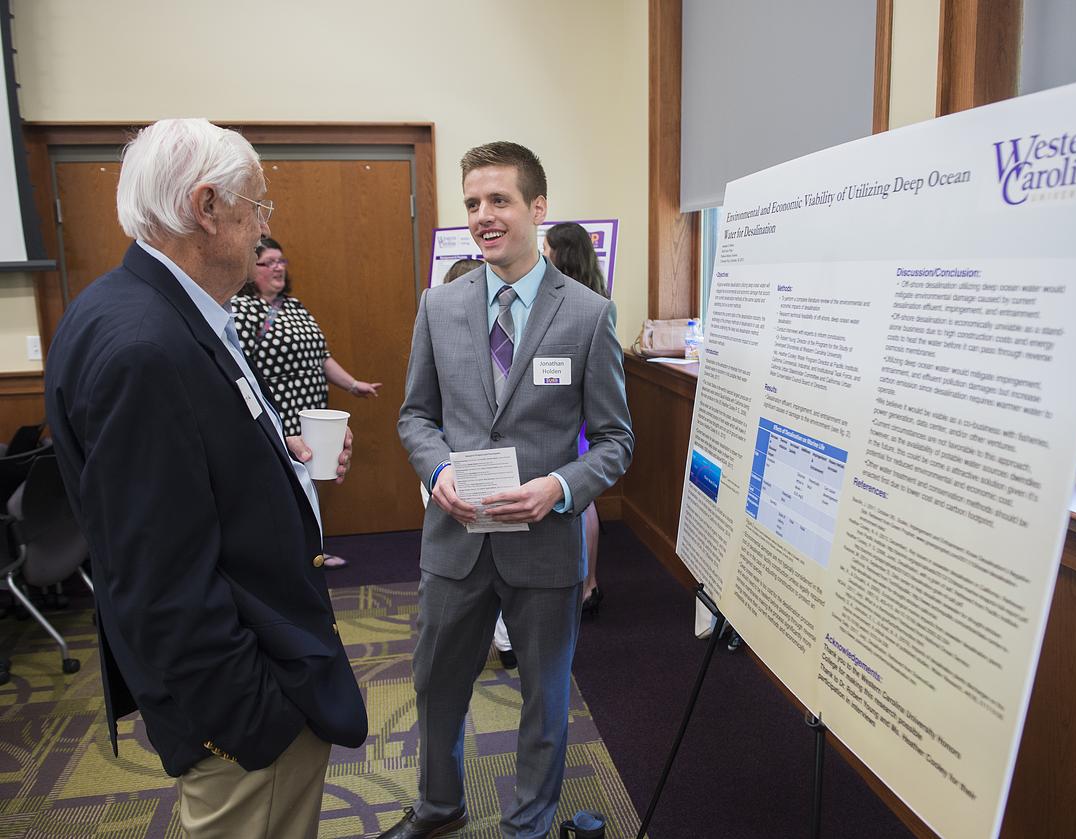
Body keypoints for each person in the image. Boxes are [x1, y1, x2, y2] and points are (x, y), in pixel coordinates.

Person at [43, 118, 367, 839]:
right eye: (257, 206)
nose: (262, 228)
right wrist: (253, 719)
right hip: (245, 715)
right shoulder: (143, 347)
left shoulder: (149, 310)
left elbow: (186, 476)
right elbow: (156, 577)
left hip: (256, 667)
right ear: (207, 206)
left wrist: (277, 454)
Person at [393, 141, 633, 839]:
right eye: (472, 203)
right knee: (436, 688)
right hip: (456, 540)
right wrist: (437, 471)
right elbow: (415, 415)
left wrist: (559, 486)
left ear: (537, 207)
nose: (482, 216)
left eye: (498, 200)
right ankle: (438, 806)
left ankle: (528, 824)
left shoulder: (587, 314)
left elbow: (617, 440)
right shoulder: (439, 306)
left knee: (543, 699)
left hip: (544, 545)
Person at [231, 237, 381, 568]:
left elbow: (321, 357)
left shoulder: (294, 306)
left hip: (311, 410)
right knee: (279, 487)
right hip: (277, 412)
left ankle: (310, 551)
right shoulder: (241, 309)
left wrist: (353, 385)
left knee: (308, 482)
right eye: (268, 262)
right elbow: (237, 365)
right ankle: (282, 557)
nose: (277, 268)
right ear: (250, 270)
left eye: (281, 261)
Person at [542, 222, 609, 616]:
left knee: (576, 495)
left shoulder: (574, 302)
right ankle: (589, 582)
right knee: (580, 494)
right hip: (583, 407)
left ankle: (584, 584)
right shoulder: (596, 295)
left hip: (573, 410)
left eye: (546, 248)